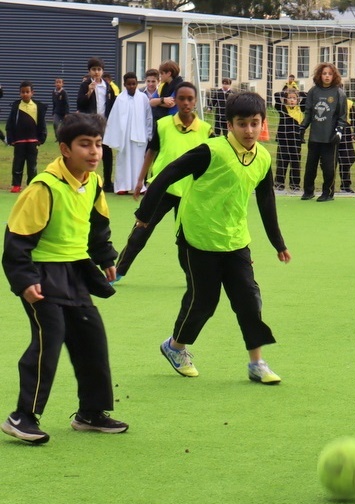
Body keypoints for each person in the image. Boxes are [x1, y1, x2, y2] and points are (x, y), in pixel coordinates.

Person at [134, 92, 290, 383]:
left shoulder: (263, 158)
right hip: (198, 237)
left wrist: (277, 243)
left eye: (255, 123)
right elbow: (167, 173)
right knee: (204, 301)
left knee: (249, 298)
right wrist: (145, 213)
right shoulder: (211, 151)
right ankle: (175, 346)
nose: (249, 130)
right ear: (230, 125)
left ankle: (257, 363)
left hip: (235, 239)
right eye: (242, 124)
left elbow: (266, 201)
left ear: (263, 123)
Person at [1, 113, 128, 445]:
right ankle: (22, 417)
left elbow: (97, 225)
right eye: (85, 145)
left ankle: (91, 412)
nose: (94, 152)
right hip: (42, 276)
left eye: (98, 144)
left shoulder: (93, 182)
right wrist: (24, 280)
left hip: (75, 272)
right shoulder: (43, 187)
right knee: (49, 339)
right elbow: (16, 240)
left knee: (92, 337)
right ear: (64, 149)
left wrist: (105, 258)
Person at [114, 82, 212, 282]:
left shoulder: (206, 130)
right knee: (141, 231)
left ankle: (192, 278)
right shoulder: (164, 125)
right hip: (161, 189)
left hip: (189, 192)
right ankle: (118, 271)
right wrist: (140, 179)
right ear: (175, 100)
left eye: (190, 99)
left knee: (187, 239)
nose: (185, 102)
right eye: (181, 98)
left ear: (195, 101)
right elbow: (152, 151)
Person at [299, 62, 347, 202]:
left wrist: (339, 131)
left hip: (330, 137)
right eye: (324, 73)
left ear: (334, 76)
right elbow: (308, 112)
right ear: (320, 75)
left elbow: (342, 116)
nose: (327, 76)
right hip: (315, 136)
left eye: (330, 74)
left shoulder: (339, 93)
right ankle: (308, 191)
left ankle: (328, 192)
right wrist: (303, 127)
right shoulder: (313, 91)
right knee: (310, 166)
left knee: (328, 167)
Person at [103, 72, 153, 195]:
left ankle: (139, 186)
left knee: (138, 162)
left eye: (134, 84)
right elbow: (114, 118)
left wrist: (149, 133)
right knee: (123, 161)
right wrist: (114, 137)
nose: (131, 86)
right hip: (124, 136)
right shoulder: (120, 99)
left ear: (137, 84)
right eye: (129, 84)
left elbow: (148, 117)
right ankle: (122, 186)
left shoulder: (143, 98)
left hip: (140, 135)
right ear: (124, 84)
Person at [77, 57, 116, 193]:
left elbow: (112, 105)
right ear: (89, 71)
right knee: (88, 151)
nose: (96, 72)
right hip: (89, 123)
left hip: (104, 124)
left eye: (99, 69)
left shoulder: (108, 86)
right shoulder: (85, 84)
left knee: (106, 152)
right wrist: (89, 91)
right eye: (93, 69)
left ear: (102, 71)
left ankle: (107, 182)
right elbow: (80, 104)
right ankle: (84, 180)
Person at [6, 81, 47, 193]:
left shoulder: (37, 107)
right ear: (20, 93)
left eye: (27, 92)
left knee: (32, 165)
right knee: (18, 163)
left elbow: (42, 124)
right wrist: (10, 138)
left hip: (33, 142)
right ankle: (16, 185)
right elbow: (10, 124)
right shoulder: (16, 106)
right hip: (19, 141)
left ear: (32, 93)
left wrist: (41, 138)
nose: (25, 94)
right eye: (23, 92)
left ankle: (32, 185)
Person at [273, 87, 306, 192]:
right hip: (284, 141)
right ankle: (279, 184)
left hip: (296, 141)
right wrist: (288, 92)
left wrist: (298, 92)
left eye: (294, 98)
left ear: (298, 100)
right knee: (282, 162)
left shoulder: (301, 109)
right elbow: (276, 95)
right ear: (286, 99)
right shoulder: (283, 109)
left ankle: (295, 185)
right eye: (290, 98)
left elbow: (307, 96)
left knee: (295, 163)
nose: (292, 100)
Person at [338, 93, 355, 193]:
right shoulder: (329, 101)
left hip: (345, 132)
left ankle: (345, 185)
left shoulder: (350, 103)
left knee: (348, 159)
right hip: (331, 132)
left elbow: (354, 119)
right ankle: (329, 186)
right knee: (330, 161)